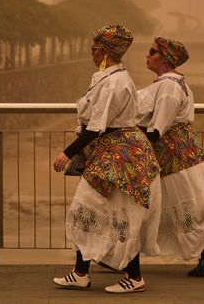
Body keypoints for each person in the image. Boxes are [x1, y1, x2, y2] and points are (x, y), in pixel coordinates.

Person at [52, 24, 161, 294]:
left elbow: (95, 127)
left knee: (119, 213)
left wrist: (67, 153)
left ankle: (133, 278)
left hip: (119, 156)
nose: (92, 52)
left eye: (95, 48)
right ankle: (81, 272)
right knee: (90, 209)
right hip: (112, 152)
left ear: (105, 51)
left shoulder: (114, 82)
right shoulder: (107, 77)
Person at [136, 36, 204, 277]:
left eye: (153, 52)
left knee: (187, 205)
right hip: (181, 154)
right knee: (184, 204)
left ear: (165, 59)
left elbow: (158, 127)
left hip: (176, 156)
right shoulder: (171, 83)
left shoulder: (168, 86)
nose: (148, 55)